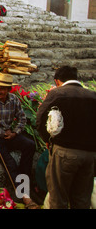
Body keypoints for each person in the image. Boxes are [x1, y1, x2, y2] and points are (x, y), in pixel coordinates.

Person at [36, 66, 96, 209]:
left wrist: (48, 140)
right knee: (82, 199)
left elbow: (40, 120)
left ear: (57, 81)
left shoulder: (58, 93)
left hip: (65, 153)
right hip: (90, 156)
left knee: (58, 198)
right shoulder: (93, 96)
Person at [0, 73, 39, 209]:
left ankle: (24, 179)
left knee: (30, 145)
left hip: (9, 134)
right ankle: (25, 196)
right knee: (9, 162)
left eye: (3, 89)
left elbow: (22, 119)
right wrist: (2, 133)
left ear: (9, 90)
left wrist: (15, 133)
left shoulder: (14, 99)